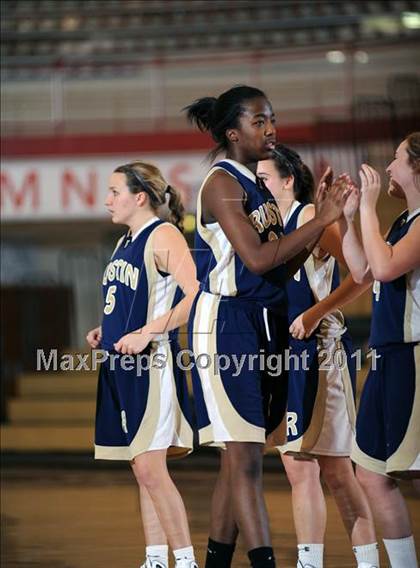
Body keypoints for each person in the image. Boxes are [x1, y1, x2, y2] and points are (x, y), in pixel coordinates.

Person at [184, 85, 350, 568]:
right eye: (259, 122)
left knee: (238, 460)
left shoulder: (257, 185)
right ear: (233, 132)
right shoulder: (221, 183)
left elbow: (282, 265)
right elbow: (257, 260)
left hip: (263, 322)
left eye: (272, 119)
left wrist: (320, 222)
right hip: (225, 326)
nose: (271, 129)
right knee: (247, 459)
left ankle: (216, 561)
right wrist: (322, 221)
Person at [257, 145, 379, 568]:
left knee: (337, 471)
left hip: (322, 352)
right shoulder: (272, 231)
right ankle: (310, 562)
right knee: (297, 468)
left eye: (264, 179)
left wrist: (315, 312)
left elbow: (362, 277)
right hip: (287, 357)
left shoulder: (308, 217)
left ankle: (369, 561)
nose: (258, 187)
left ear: (289, 181)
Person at [86, 161, 199, 568]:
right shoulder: (125, 242)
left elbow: (194, 298)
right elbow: (136, 299)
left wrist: (147, 332)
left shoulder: (163, 234)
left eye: (114, 191)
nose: (106, 200)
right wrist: (107, 327)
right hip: (121, 362)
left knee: (152, 468)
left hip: (153, 362)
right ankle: (155, 559)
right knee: (142, 468)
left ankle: (185, 561)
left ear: (139, 197)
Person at [339, 132, 420, 568]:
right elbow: (365, 271)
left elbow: (387, 266)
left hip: (413, 355)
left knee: (413, 471)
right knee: (370, 472)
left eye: (397, 159)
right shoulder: (404, 221)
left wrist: (369, 206)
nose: (388, 168)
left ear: (417, 168)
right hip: (388, 356)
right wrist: (349, 218)